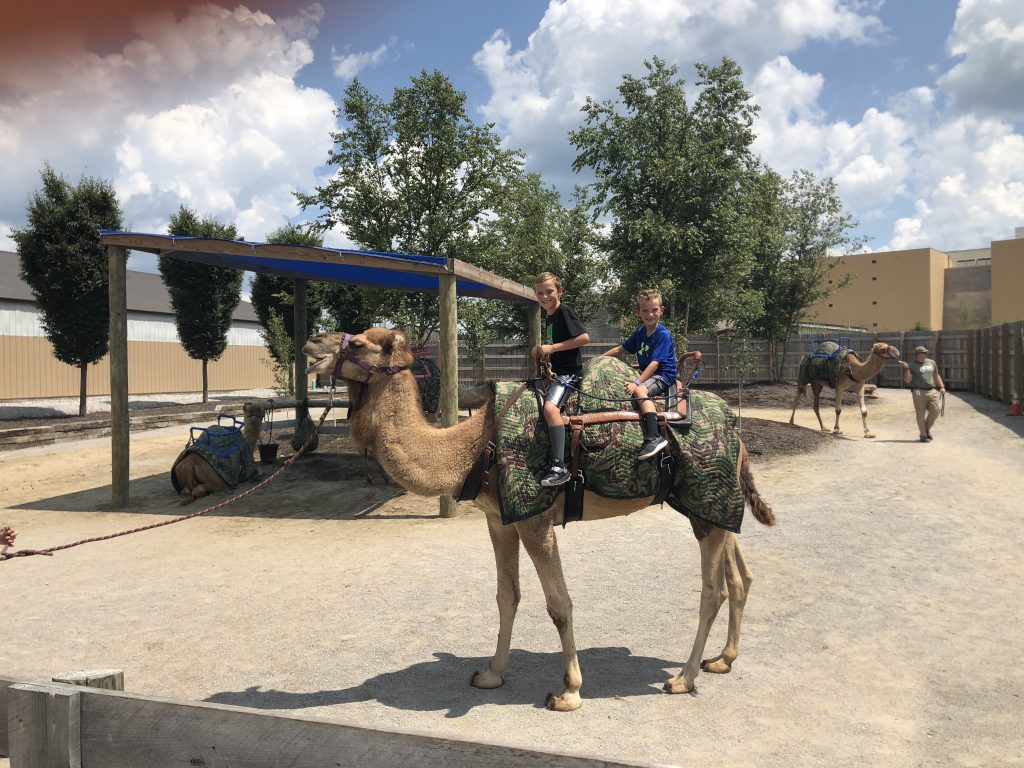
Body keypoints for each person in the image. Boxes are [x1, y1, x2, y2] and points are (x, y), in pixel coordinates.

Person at [602, 289, 677, 460]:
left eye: (654, 310)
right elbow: (621, 349)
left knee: (640, 392)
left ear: (661, 310)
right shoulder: (640, 332)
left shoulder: (662, 334)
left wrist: (637, 383)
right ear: (638, 312)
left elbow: (655, 363)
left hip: (663, 375)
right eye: (645, 310)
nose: (650, 314)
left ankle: (653, 437)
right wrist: (600, 359)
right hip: (648, 372)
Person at [533, 272, 590, 487]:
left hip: (568, 373)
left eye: (549, 291)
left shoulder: (564, 312)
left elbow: (584, 338)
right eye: (540, 293)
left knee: (550, 409)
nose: (545, 296)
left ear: (560, 291)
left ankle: (559, 466)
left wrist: (553, 348)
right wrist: (541, 352)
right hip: (556, 371)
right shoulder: (549, 317)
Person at [901, 345, 946, 442]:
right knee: (920, 414)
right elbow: (907, 381)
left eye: (926, 353)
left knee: (935, 411)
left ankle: (926, 429)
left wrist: (942, 386)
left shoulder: (931, 362)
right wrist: (906, 369)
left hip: (932, 390)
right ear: (917, 354)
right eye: (923, 353)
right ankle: (923, 435)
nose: (926, 354)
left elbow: (936, 375)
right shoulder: (912, 365)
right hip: (918, 392)